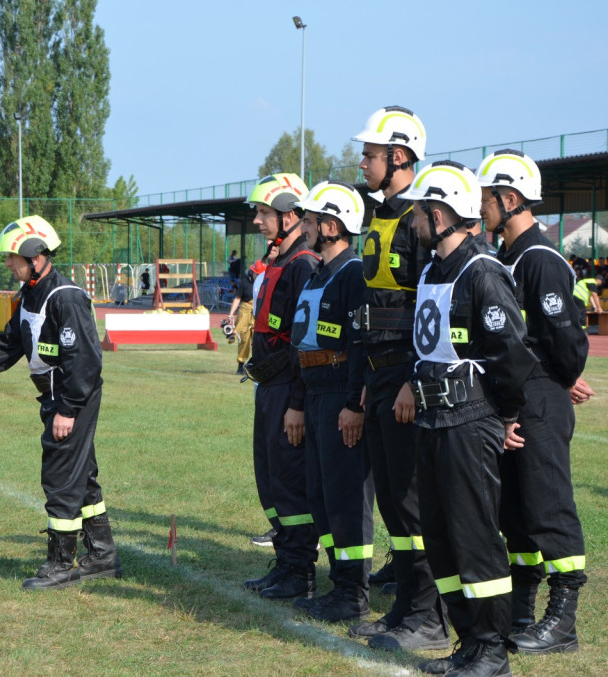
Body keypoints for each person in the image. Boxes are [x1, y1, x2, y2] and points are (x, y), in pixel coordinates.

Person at [402, 161, 539, 676]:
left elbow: (512, 355)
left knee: (475, 537)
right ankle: (468, 642)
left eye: (419, 211)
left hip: (469, 420)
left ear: (438, 214)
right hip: (433, 423)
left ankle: (491, 650)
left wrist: (503, 416)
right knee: (438, 536)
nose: (413, 220)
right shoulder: (432, 270)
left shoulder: (482, 272)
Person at [0, 215, 121, 590]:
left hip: (70, 398)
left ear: (36, 255)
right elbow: (8, 344)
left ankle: (60, 565)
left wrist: (67, 409)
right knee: (82, 475)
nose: (8, 264)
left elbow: (86, 361)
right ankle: (103, 555)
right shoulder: (31, 293)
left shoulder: (67, 297)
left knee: (60, 476)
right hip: (56, 396)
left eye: (13, 257)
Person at [478, 150, 592, 660]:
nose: (480, 208)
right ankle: (521, 606)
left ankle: (562, 620)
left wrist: (555, 380)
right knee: (517, 510)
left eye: (486, 199)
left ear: (511, 198)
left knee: (548, 505)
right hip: (516, 396)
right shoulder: (506, 257)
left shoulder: (540, 259)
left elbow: (565, 342)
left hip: (540, 396)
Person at [347, 106, 449, 651]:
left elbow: (428, 312)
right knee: (390, 497)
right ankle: (406, 606)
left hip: (408, 377)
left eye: (370, 154)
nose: (361, 162)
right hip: (379, 372)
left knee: (411, 498)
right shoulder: (380, 216)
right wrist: (367, 378)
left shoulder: (421, 221)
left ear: (400, 157)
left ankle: (429, 617)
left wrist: (413, 378)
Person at [289, 181, 374, 622]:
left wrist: (354, 405)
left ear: (332, 224)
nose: (302, 226)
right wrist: (300, 401)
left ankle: (352, 591)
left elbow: (361, 344)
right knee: (321, 496)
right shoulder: (319, 273)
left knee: (346, 498)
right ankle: (339, 583)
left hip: (340, 394)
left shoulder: (353, 273)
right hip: (317, 393)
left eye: (309, 219)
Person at [241, 172, 321, 600]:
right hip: (268, 386)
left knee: (290, 481)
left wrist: (296, 403)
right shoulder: (277, 261)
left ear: (291, 216)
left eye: (265, 212)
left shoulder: (303, 265)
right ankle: (285, 561)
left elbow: (302, 344)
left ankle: (299, 572)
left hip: (288, 389)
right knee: (270, 479)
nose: (258, 220)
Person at [227, 259, 265, 376]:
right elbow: (238, 298)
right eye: (257, 275)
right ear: (252, 273)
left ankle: (257, 363)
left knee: (258, 338)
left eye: (260, 275)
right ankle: (241, 364)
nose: (259, 277)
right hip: (246, 308)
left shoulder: (265, 282)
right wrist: (231, 313)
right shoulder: (245, 283)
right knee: (243, 338)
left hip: (258, 309)